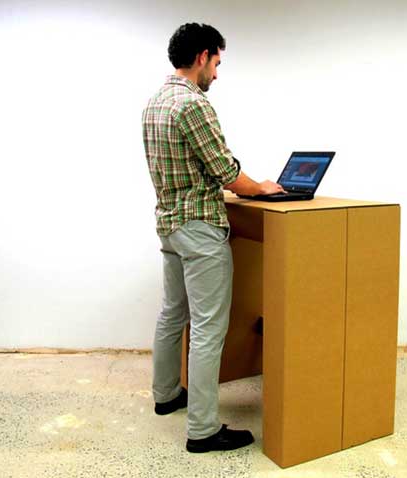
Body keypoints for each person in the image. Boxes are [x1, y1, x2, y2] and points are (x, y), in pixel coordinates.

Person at [142, 23, 284, 453]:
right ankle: (202, 429)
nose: (218, 74)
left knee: (172, 314)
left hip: (169, 224)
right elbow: (225, 171)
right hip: (201, 229)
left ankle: (166, 395)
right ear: (202, 56)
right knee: (207, 328)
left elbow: (187, 169)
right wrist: (260, 186)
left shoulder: (155, 103)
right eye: (217, 62)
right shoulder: (193, 104)